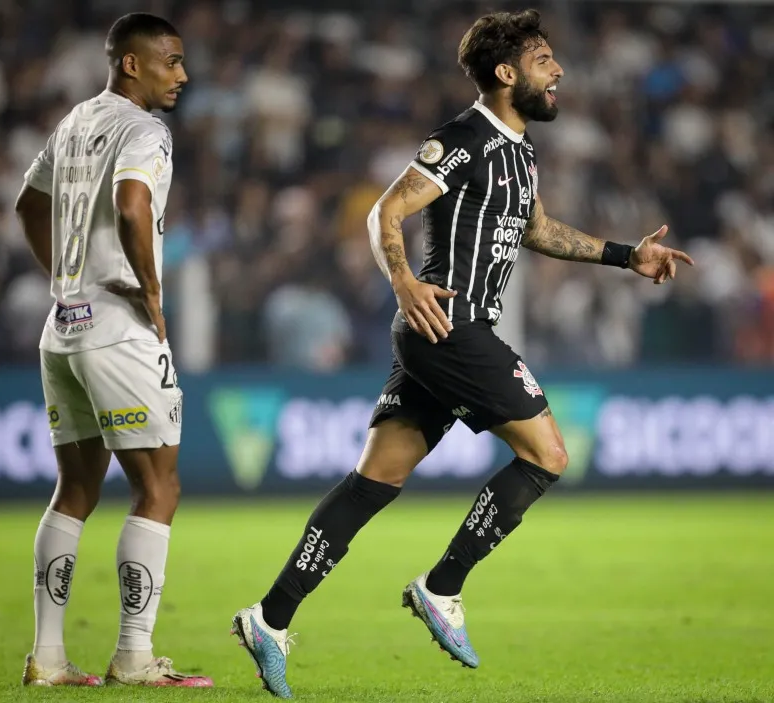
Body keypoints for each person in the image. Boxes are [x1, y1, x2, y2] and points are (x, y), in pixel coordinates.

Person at [230, 9, 694, 699]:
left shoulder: (519, 151)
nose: (559, 70)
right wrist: (403, 282)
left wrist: (628, 255)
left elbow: (537, 230)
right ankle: (442, 586)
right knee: (548, 455)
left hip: (439, 334)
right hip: (453, 327)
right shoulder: (463, 139)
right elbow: (385, 211)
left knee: (373, 481)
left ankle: (269, 617)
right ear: (506, 73)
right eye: (543, 60)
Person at [15, 12, 212, 687]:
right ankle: (133, 655)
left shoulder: (75, 122)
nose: (182, 74)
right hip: (119, 330)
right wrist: (151, 295)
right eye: (171, 60)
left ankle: (46, 657)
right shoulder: (144, 129)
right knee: (158, 487)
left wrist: (64, 280)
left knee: (74, 489)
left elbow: (27, 204)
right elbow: (132, 206)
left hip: (63, 327)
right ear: (132, 63)